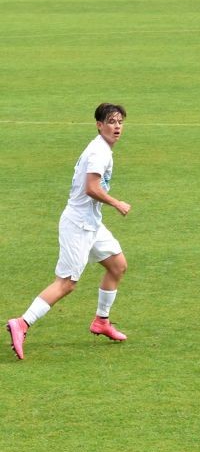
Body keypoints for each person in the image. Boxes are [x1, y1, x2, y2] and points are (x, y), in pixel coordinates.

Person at [6, 103, 131, 360]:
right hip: (79, 225)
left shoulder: (102, 148)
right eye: (111, 121)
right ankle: (22, 322)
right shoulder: (99, 152)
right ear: (99, 125)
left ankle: (101, 321)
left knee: (117, 266)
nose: (117, 126)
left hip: (92, 223)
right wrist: (117, 203)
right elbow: (91, 188)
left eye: (120, 122)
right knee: (66, 283)